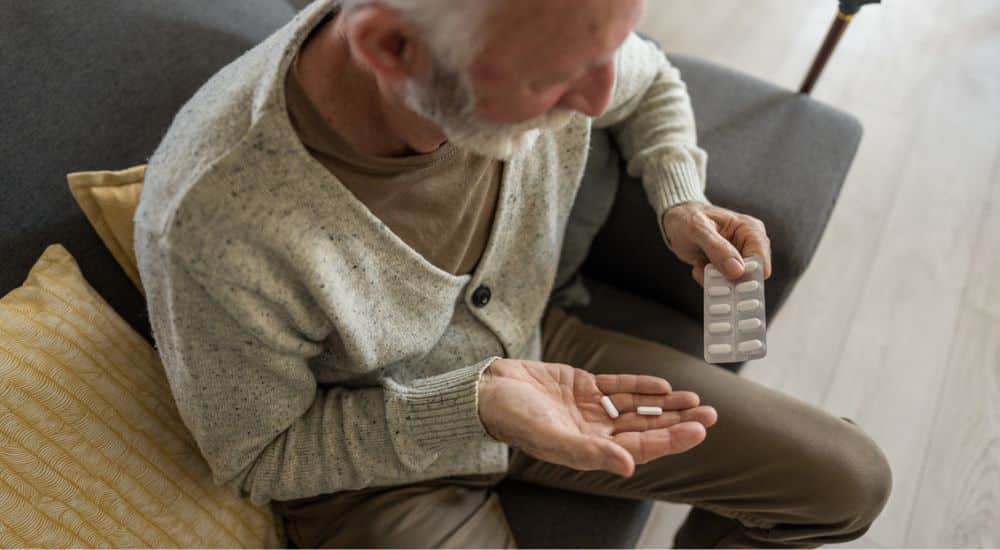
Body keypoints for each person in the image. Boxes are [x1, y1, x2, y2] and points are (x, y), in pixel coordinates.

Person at [134, 0, 892, 547]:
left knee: (848, 483)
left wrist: (678, 198)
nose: (595, 100)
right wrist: (474, 408)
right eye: (554, 80)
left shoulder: (532, 33)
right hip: (371, 469)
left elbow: (651, 80)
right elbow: (261, 454)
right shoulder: (216, 227)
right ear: (391, 48)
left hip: (540, 349)